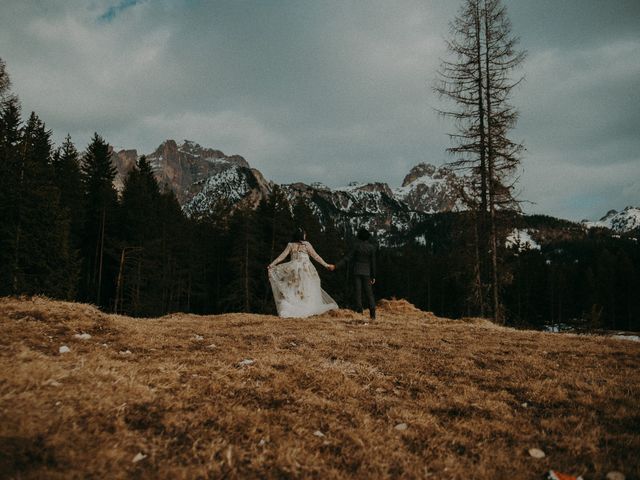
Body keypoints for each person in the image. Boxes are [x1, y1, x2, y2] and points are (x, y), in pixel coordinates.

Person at [267, 227, 338, 318]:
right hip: (305, 270)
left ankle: (298, 307)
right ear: (301, 235)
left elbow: (282, 257)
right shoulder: (306, 244)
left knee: (297, 289)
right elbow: (316, 256)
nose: (306, 235)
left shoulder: (291, 245)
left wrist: (272, 264)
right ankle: (308, 307)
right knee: (306, 288)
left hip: (295, 270)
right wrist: (326, 265)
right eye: (304, 233)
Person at [336, 227, 377, 320]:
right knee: (369, 293)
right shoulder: (371, 248)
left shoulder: (356, 246)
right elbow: (373, 263)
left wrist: (337, 265)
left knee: (357, 293)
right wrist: (373, 276)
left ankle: (359, 312)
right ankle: (373, 314)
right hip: (367, 272)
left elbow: (348, 258)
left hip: (357, 271)